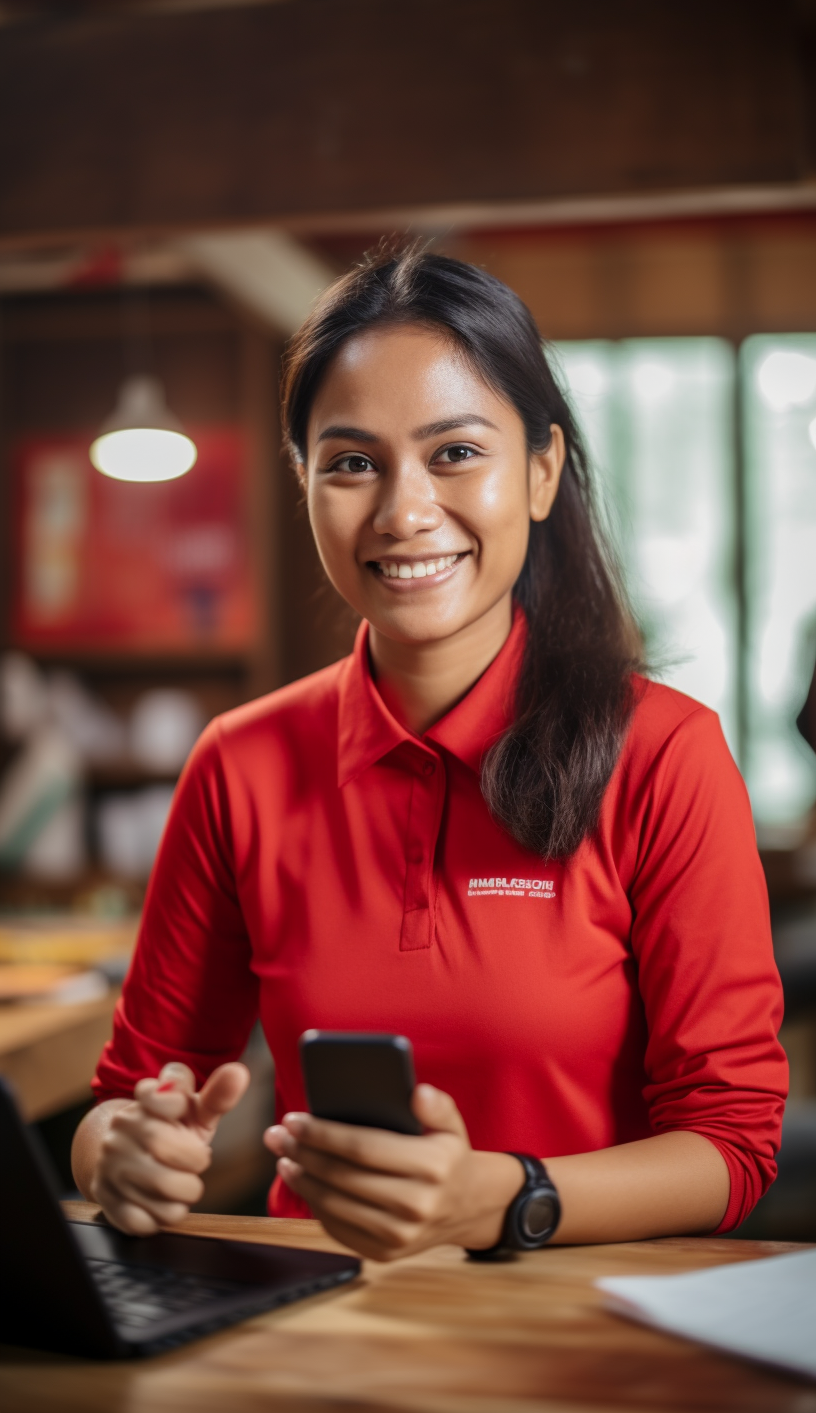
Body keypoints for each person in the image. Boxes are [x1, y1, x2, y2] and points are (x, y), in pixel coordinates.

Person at [72, 247, 786, 1261]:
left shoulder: (666, 754)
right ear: (306, 483)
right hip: (319, 1324)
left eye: (455, 452)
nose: (404, 512)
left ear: (541, 470)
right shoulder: (239, 764)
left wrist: (508, 1196)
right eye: (353, 462)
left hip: (596, 1334)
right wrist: (122, 1154)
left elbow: (734, 1145)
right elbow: (125, 1100)